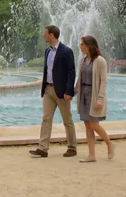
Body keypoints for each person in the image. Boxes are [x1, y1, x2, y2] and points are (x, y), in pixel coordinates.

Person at [29, 25, 77, 158]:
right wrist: (43, 88)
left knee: (67, 120)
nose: (43, 36)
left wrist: (69, 91)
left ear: (52, 35)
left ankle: (72, 147)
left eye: (45, 34)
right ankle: (43, 148)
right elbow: (47, 71)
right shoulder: (47, 51)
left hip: (62, 91)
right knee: (46, 118)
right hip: (48, 90)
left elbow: (71, 72)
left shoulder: (66, 51)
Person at [76, 35, 115, 162]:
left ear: (89, 46)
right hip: (84, 95)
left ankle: (109, 143)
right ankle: (91, 155)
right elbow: (79, 79)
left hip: (94, 95)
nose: (80, 46)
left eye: (82, 44)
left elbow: (104, 81)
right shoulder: (82, 61)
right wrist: (73, 92)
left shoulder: (100, 61)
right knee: (87, 125)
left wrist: (100, 99)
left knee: (94, 124)